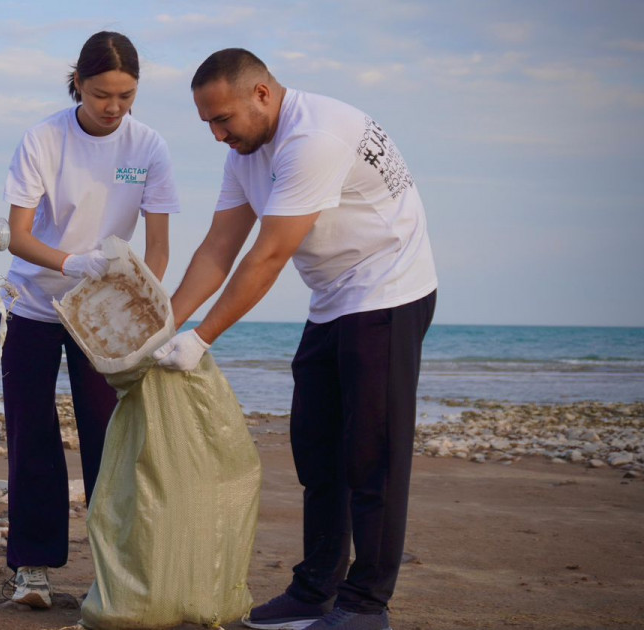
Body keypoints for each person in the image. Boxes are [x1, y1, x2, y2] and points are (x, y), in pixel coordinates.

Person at [153, 48, 437, 630]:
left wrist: (201, 338)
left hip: (390, 288)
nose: (216, 134)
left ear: (262, 94)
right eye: (207, 122)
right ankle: (316, 592)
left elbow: (270, 255)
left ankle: (365, 607)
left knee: (372, 456)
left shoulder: (316, 136)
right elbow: (218, 249)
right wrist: (164, 327)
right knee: (316, 447)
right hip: (334, 295)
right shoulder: (246, 150)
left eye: (223, 119)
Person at [0, 31, 181, 610]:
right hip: (35, 304)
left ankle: (112, 569)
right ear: (78, 82)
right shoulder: (43, 139)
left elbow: (157, 249)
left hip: (107, 313)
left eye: (126, 96)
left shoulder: (148, 147)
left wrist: (139, 309)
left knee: (110, 439)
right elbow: (18, 236)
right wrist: (71, 263)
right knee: (33, 437)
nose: (114, 107)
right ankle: (33, 567)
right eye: (103, 94)